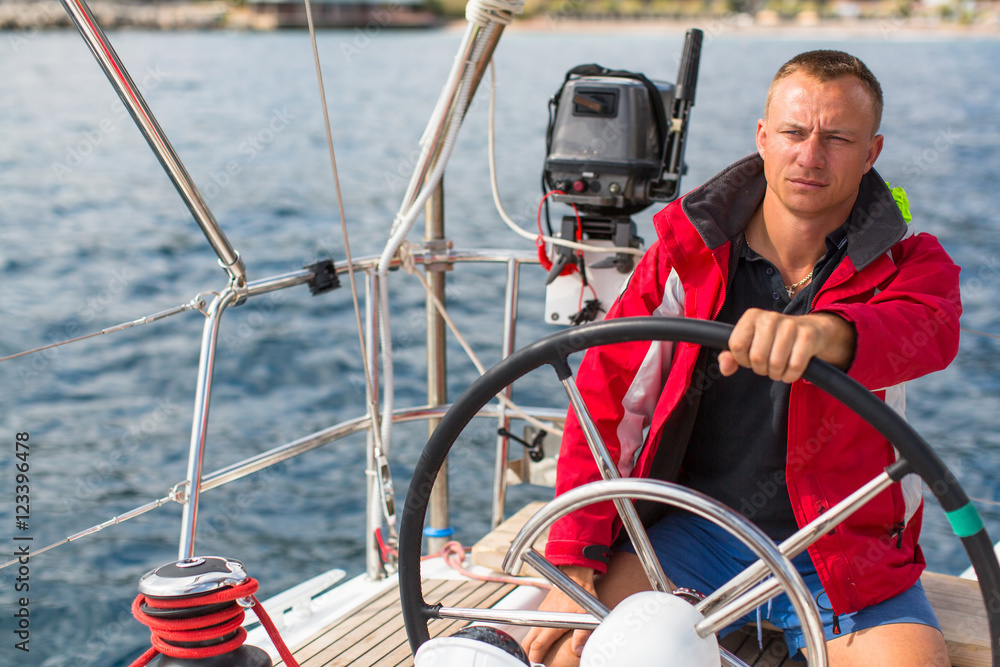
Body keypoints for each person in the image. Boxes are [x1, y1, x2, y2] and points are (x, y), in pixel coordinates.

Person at [521, 50, 961, 667]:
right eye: (793, 132)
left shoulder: (909, 264)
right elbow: (605, 391)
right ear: (762, 137)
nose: (810, 156)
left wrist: (822, 334)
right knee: (569, 654)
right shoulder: (683, 251)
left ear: (871, 154)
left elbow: (931, 328)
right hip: (694, 533)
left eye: (837, 138)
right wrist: (573, 557)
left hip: (844, 551)